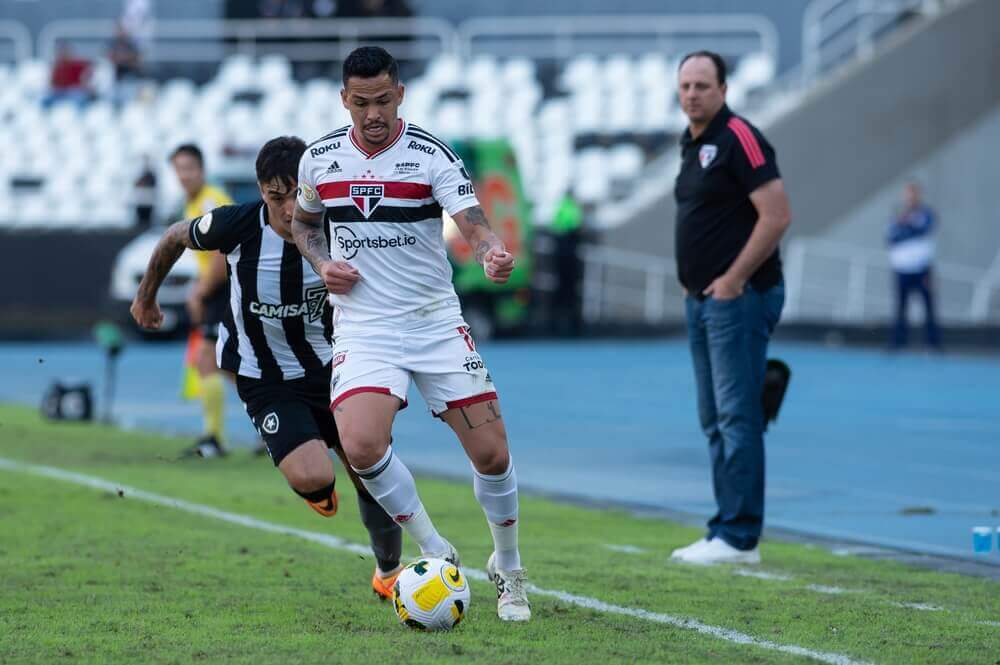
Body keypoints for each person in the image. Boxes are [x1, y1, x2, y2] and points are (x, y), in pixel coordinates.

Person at [292, 46, 530, 621]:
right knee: (360, 445)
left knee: (492, 454)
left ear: (400, 94)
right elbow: (303, 224)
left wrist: (491, 253)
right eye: (361, 102)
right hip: (365, 327)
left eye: (383, 100)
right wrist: (322, 263)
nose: (373, 113)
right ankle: (435, 548)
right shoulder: (319, 160)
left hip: (433, 321)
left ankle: (508, 566)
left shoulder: (430, 155)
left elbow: (473, 225)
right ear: (344, 99)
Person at [131, 136, 406, 598]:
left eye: (295, 195)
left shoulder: (340, 226)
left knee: (373, 473)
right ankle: (317, 478)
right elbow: (175, 235)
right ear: (262, 192)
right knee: (314, 477)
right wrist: (146, 297)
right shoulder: (235, 224)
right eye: (275, 197)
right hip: (265, 377)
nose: (287, 209)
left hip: (335, 369)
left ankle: (389, 572)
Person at [669, 51, 791, 566]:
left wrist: (734, 279)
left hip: (738, 299)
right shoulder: (691, 142)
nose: (692, 94)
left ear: (723, 89)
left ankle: (740, 537)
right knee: (715, 418)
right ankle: (726, 527)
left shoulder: (740, 137)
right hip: (703, 300)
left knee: (737, 417)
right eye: (685, 86)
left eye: (702, 85)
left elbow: (777, 215)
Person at [170, 144, 234, 458]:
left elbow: (222, 252)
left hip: (226, 287)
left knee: (208, 358)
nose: (184, 175)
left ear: (202, 170)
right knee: (233, 365)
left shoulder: (209, 200)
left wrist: (201, 291)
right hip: (222, 287)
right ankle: (271, 427)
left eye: (189, 168)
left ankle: (214, 438)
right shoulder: (194, 202)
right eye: (179, 169)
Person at [887, 182, 941, 350]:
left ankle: (933, 343)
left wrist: (905, 227)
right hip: (902, 268)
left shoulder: (926, 213)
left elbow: (923, 229)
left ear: (918, 195)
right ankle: (898, 342)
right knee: (901, 306)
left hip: (921, 268)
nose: (910, 198)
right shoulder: (898, 215)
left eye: (913, 194)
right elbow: (891, 237)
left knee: (928, 305)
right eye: (907, 195)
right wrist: (906, 227)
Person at [43, 44, 92, 108]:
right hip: (60, 91)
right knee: (46, 100)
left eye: (65, 53)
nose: (64, 55)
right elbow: (52, 83)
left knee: (81, 100)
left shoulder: (76, 64)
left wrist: (86, 84)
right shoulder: (57, 66)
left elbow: (90, 67)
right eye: (61, 53)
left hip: (73, 90)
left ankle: (80, 113)